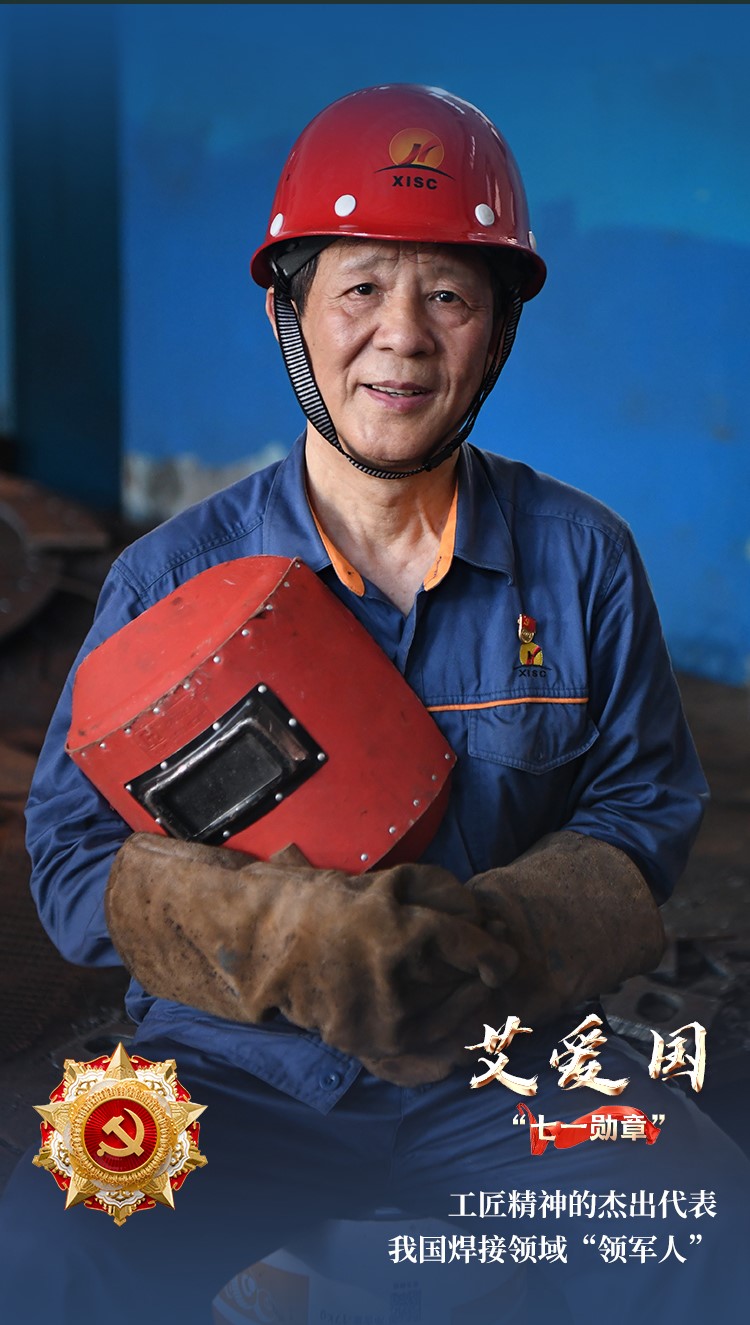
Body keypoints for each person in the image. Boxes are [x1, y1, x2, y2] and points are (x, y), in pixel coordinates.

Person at [1, 83, 746, 1324]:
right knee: (40, 1241)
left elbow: (643, 806)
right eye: (359, 288)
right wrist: (282, 933)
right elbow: (75, 858)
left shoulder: (582, 559)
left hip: (511, 1064)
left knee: (700, 1219)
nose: (401, 337)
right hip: (221, 1071)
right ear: (288, 311)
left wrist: (492, 937)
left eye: (447, 294)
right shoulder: (168, 579)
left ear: (497, 329)